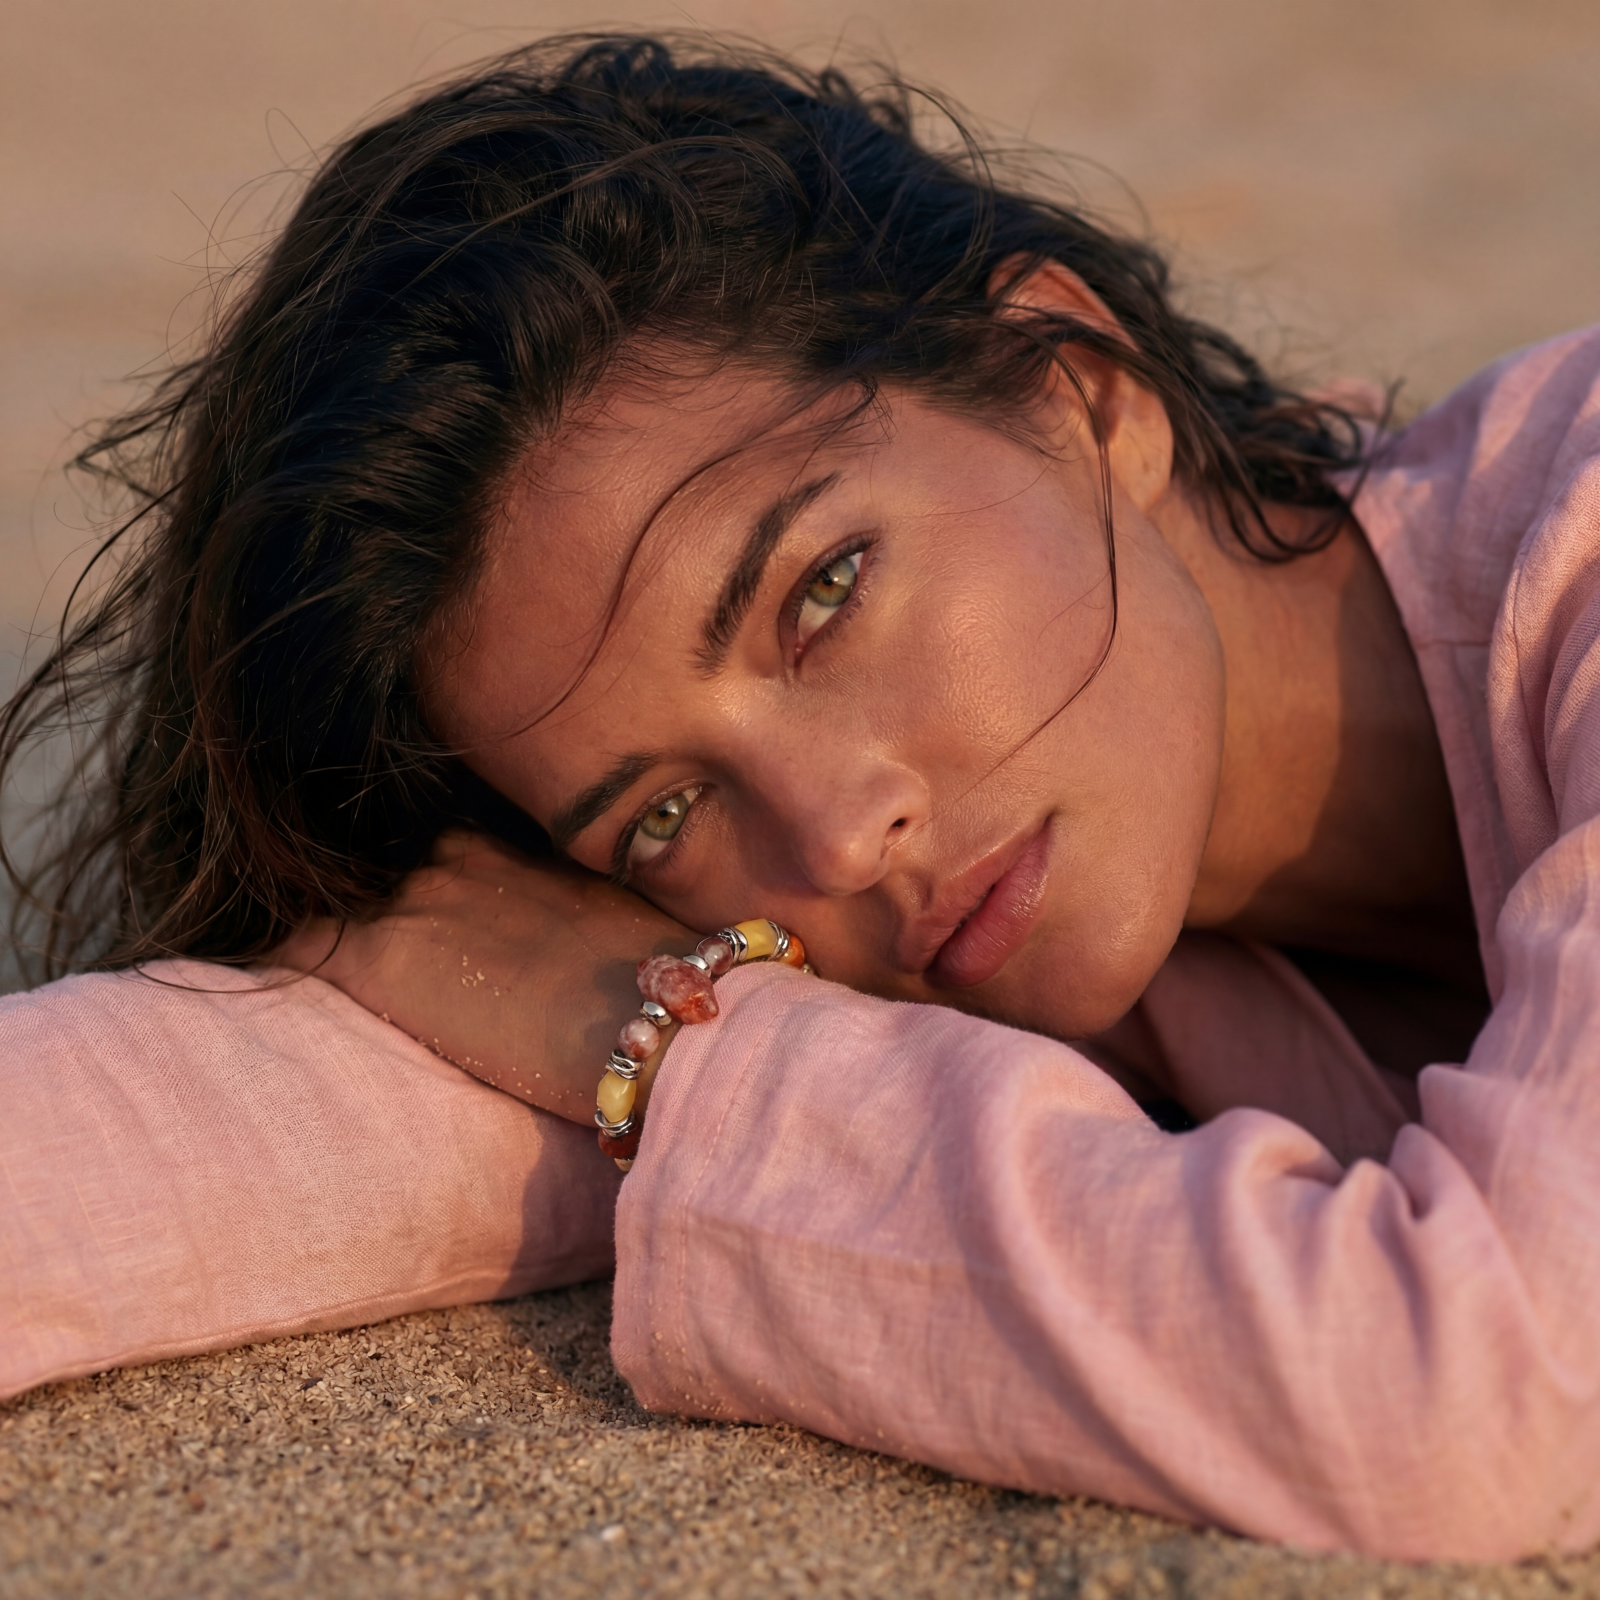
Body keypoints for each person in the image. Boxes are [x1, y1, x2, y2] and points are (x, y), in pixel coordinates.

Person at [3, 32, 1599, 1562]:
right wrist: (621, 1020)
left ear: (1081, 383)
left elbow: (1479, 1395)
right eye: (662, 814)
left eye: (822, 592)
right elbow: (209, 1120)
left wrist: (673, 1062)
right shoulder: (894, 933)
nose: (834, 837)